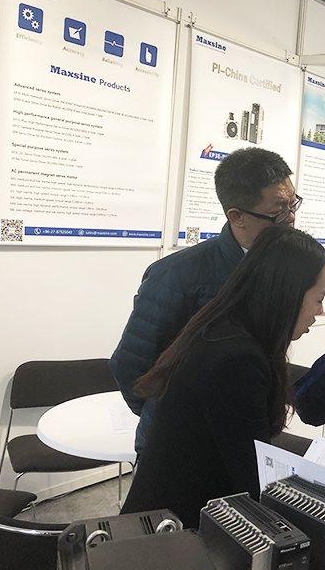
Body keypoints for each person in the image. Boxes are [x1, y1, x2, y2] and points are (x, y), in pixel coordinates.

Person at [120, 225, 325, 528]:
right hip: (175, 529)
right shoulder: (237, 360)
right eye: (319, 299)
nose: (320, 311)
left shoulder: (225, 331)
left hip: (175, 516)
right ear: (288, 293)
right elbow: (251, 480)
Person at [109, 147, 301, 454]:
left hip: (247, 431)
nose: (290, 218)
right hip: (180, 443)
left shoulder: (279, 267)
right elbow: (130, 365)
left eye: (293, 204)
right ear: (236, 216)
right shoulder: (176, 275)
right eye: (278, 210)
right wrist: (166, 413)